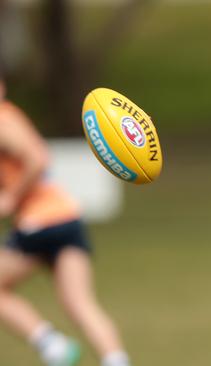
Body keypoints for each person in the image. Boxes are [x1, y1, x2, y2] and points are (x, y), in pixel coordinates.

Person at [0, 79, 131, 366]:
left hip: (40, 219)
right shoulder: (10, 116)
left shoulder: (2, 122)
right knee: (80, 304)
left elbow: (37, 158)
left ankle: (52, 345)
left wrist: (12, 196)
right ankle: (116, 360)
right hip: (66, 215)